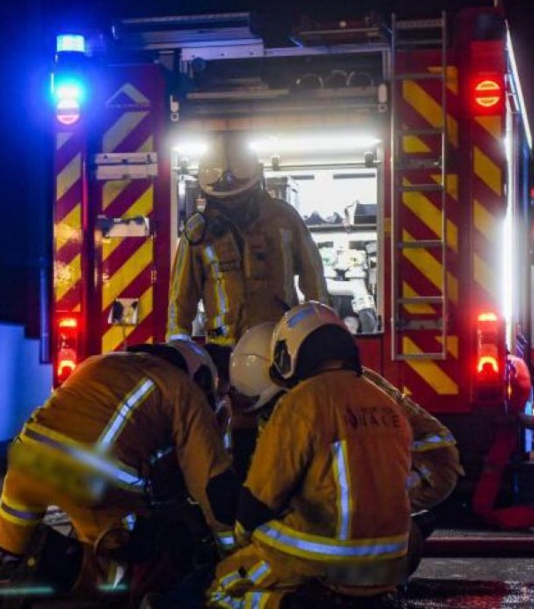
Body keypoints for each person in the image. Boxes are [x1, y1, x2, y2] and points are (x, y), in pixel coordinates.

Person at [0, 340, 239, 600]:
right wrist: (229, 549)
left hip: (28, 455)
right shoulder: (183, 390)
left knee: (18, 523)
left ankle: (10, 559)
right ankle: (52, 569)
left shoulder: (98, 363)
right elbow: (210, 480)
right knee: (121, 559)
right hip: (89, 476)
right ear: (200, 376)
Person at [207, 303, 413, 607]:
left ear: (288, 352)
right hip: (390, 562)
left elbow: (260, 499)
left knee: (224, 587)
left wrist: (239, 535)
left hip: (325, 557)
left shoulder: (302, 401)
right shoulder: (384, 400)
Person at [228, 321, 463, 512]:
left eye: (272, 405)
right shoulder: (311, 390)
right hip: (398, 466)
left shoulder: (335, 393)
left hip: (426, 468)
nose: (270, 414)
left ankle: (386, 541)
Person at [167, 132, 329, 347]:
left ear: (256, 183)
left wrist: (321, 332)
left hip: (281, 345)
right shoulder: (198, 231)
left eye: (239, 196)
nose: (232, 203)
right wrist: (179, 348)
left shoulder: (284, 219)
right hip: (224, 352)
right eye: (225, 199)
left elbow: (314, 279)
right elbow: (180, 298)